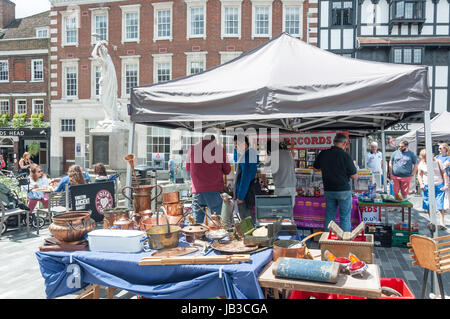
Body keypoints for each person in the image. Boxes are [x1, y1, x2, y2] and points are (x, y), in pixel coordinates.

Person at [313, 133, 358, 232]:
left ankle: (328, 240)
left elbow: (315, 168)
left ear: (334, 142)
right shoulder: (345, 156)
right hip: (343, 190)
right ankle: (345, 242)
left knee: (329, 217)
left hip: (329, 190)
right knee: (345, 218)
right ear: (345, 144)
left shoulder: (323, 153)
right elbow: (354, 176)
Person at [186, 135, 231, 224]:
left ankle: (197, 237)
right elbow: (227, 170)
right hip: (214, 190)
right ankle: (217, 237)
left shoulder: (192, 149)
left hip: (197, 190)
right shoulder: (219, 150)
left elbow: (188, 168)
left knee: (197, 223)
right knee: (218, 221)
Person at [417, 149, 448, 230]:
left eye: (425, 157)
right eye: (423, 157)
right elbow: (419, 174)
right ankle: (432, 220)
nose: (424, 159)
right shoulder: (422, 163)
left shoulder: (438, 162)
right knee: (427, 205)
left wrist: (446, 184)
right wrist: (421, 183)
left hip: (438, 185)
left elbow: (444, 173)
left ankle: (442, 222)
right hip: (427, 186)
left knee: (440, 204)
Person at [233, 135, 259, 221]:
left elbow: (245, 178)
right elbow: (235, 159)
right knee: (247, 219)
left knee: (247, 221)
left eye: (237, 145)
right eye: (235, 146)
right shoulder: (247, 154)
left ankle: (249, 234)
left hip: (245, 194)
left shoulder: (247, 156)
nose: (236, 148)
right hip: (247, 193)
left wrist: (240, 197)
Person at [265, 139, 296, 206]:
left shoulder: (272, 156)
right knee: (289, 210)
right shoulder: (288, 153)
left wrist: (265, 183)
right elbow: (293, 167)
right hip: (292, 186)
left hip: (281, 187)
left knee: (280, 210)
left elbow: (263, 170)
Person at [436, 143, 450, 212]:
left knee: (445, 192)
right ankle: (439, 207)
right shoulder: (437, 157)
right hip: (437, 177)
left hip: (445, 177)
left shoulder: (448, 158)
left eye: (440, 148)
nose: (439, 150)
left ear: (445, 149)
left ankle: (444, 208)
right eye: (439, 148)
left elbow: (444, 166)